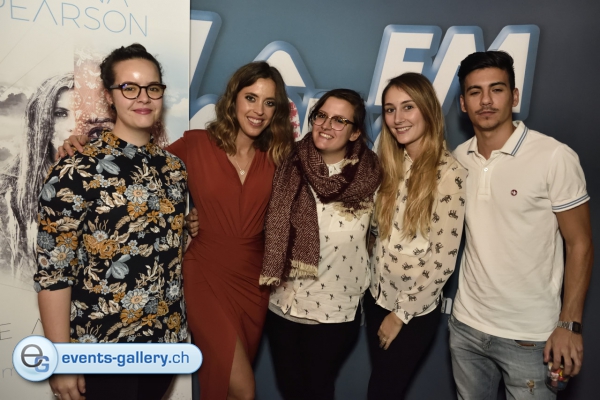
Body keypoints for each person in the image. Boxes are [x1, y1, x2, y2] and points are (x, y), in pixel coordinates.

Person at [60, 61, 294, 399]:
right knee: (244, 389)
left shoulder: (279, 155)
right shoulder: (196, 144)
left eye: (269, 102)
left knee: (228, 386)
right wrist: (82, 142)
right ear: (234, 99)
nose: (258, 110)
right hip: (204, 274)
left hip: (253, 280)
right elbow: (137, 165)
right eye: (250, 98)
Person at [35, 44, 188, 400]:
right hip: (101, 349)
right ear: (109, 95)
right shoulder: (77, 169)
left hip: (164, 344)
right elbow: (54, 273)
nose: (143, 97)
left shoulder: (175, 170)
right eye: (129, 88)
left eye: (152, 87)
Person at [449, 51, 593, 400]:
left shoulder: (554, 157)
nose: (486, 100)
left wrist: (569, 325)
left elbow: (580, 244)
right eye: (474, 92)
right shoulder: (458, 158)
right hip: (466, 328)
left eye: (496, 89)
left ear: (514, 97)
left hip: (531, 337)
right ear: (463, 104)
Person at [260, 89, 382, 400]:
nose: (327, 125)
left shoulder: (373, 177)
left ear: (355, 132)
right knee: (290, 390)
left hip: (333, 311)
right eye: (322, 116)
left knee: (317, 391)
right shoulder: (286, 163)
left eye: (340, 120)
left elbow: (383, 237)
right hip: (283, 306)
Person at [366, 72, 467, 399]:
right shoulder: (387, 163)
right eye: (390, 109)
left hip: (411, 311)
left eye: (408, 107)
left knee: (382, 393)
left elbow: (443, 261)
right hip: (376, 298)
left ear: (427, 109)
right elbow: (373, 232)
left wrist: (400, 315)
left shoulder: (449, 174)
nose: (398, 118)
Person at [0, 73, 74, 282]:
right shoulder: (7, 195)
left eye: (84, 114)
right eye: (60, 113)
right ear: (40, 119)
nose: (74, 125)